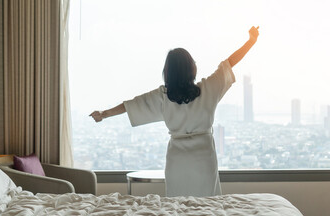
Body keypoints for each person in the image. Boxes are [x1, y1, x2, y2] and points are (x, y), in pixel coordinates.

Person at [90, 26, 260, 197]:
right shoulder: (209, 88)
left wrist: (104, 113)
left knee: (177, 205)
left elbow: (131, 105)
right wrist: (250, 42)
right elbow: (229, 63)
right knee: (208, 204)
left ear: (168, 72)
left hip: (177, 161)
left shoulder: (163, 96)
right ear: (190, 68)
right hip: (203, 159)